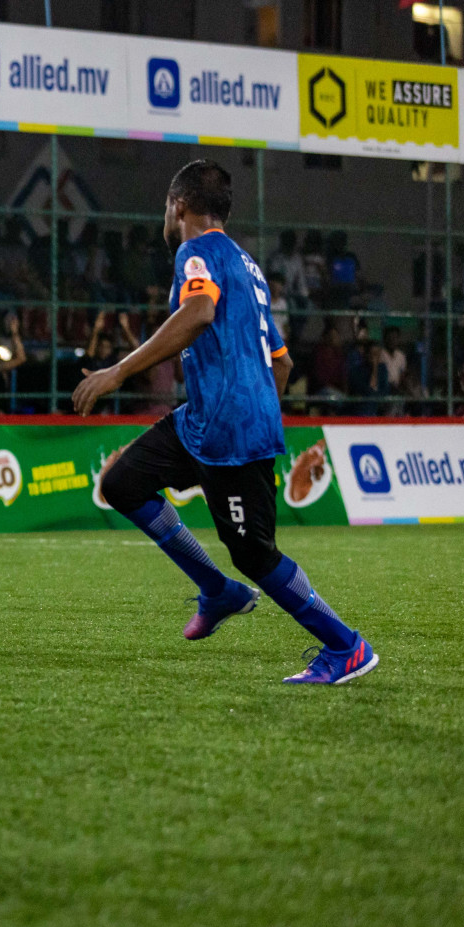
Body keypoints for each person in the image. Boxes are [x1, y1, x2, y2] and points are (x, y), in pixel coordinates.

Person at [73, 160, 376, 685]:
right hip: (208, 420)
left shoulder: (196, 252)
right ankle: (217, 591)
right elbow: (281, 361)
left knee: (255, 556)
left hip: (230, 428)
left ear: (178, 205)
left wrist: (119, 372)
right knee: (123, 482)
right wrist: (256, 409)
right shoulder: (246, 266)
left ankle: (346, 647)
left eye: (166, 209)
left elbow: (199, 314)